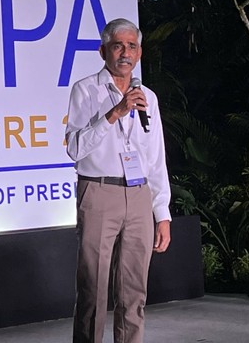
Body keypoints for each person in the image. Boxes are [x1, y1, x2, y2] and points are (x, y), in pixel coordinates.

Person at [65, 18, 171, 343]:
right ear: (103, 51)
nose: (125, 52)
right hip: (99, 192)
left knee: (134, 292)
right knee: (93, 290)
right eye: (117, 45)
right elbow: (75, 148)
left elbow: (155, 159)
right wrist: (114, 113)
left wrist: (162, 213)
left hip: (139, 195)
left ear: (139, 54)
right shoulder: (86, 90)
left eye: (131, 46)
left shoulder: (147, 98)